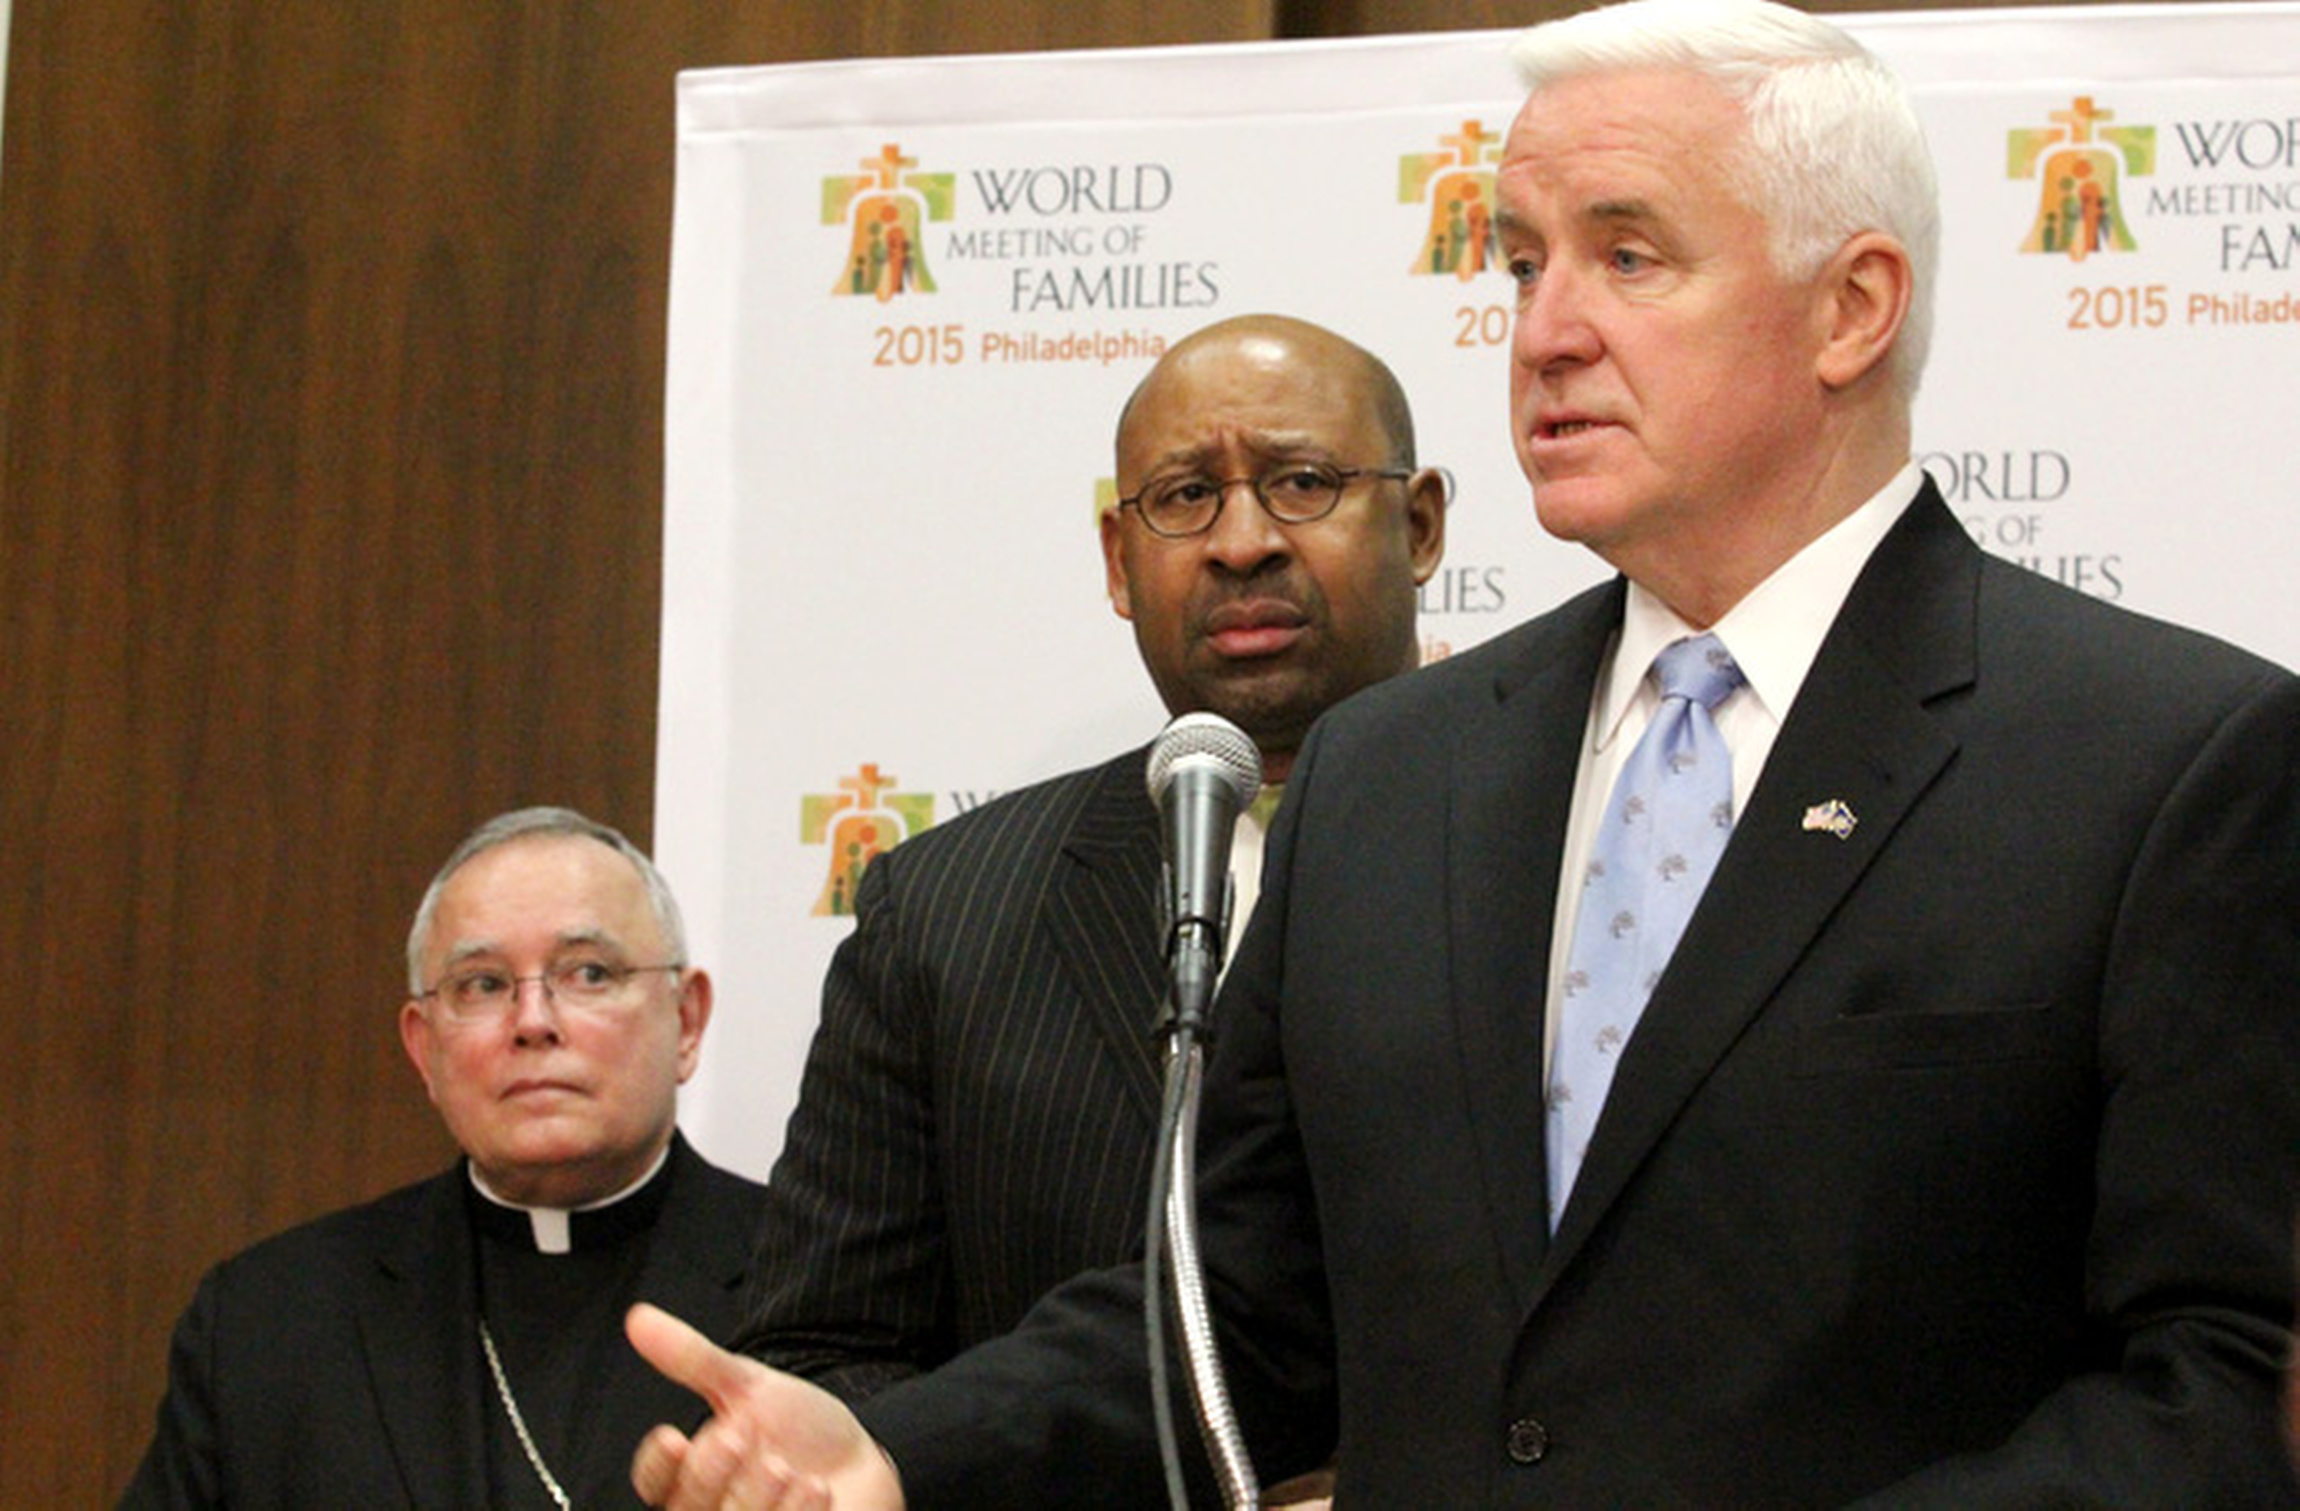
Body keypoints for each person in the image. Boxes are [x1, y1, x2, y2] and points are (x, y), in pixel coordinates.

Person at [625, 2, 2300, 1504]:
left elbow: (2223, 1385)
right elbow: (1252, 1306)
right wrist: (901, 1448)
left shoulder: (2165, 765)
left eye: (1628, 257)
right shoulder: (1390, 774)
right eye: (1519, 262)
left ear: (1851, 307)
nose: (1545, 329)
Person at [736, 313, 1447, 1407]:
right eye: (1181, 496)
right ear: (1120, 561)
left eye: (1302, 481)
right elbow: (818, 1359)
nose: (1241, 539)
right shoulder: (943, 914)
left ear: (1421, 523)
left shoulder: (1566, 837)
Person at [121, 807, 770, 1510]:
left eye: (588, 972)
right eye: (483, 984)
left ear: (688, 1019)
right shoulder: (268, 1319)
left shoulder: (815, 1284)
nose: (533, 1022)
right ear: (423, 1048)